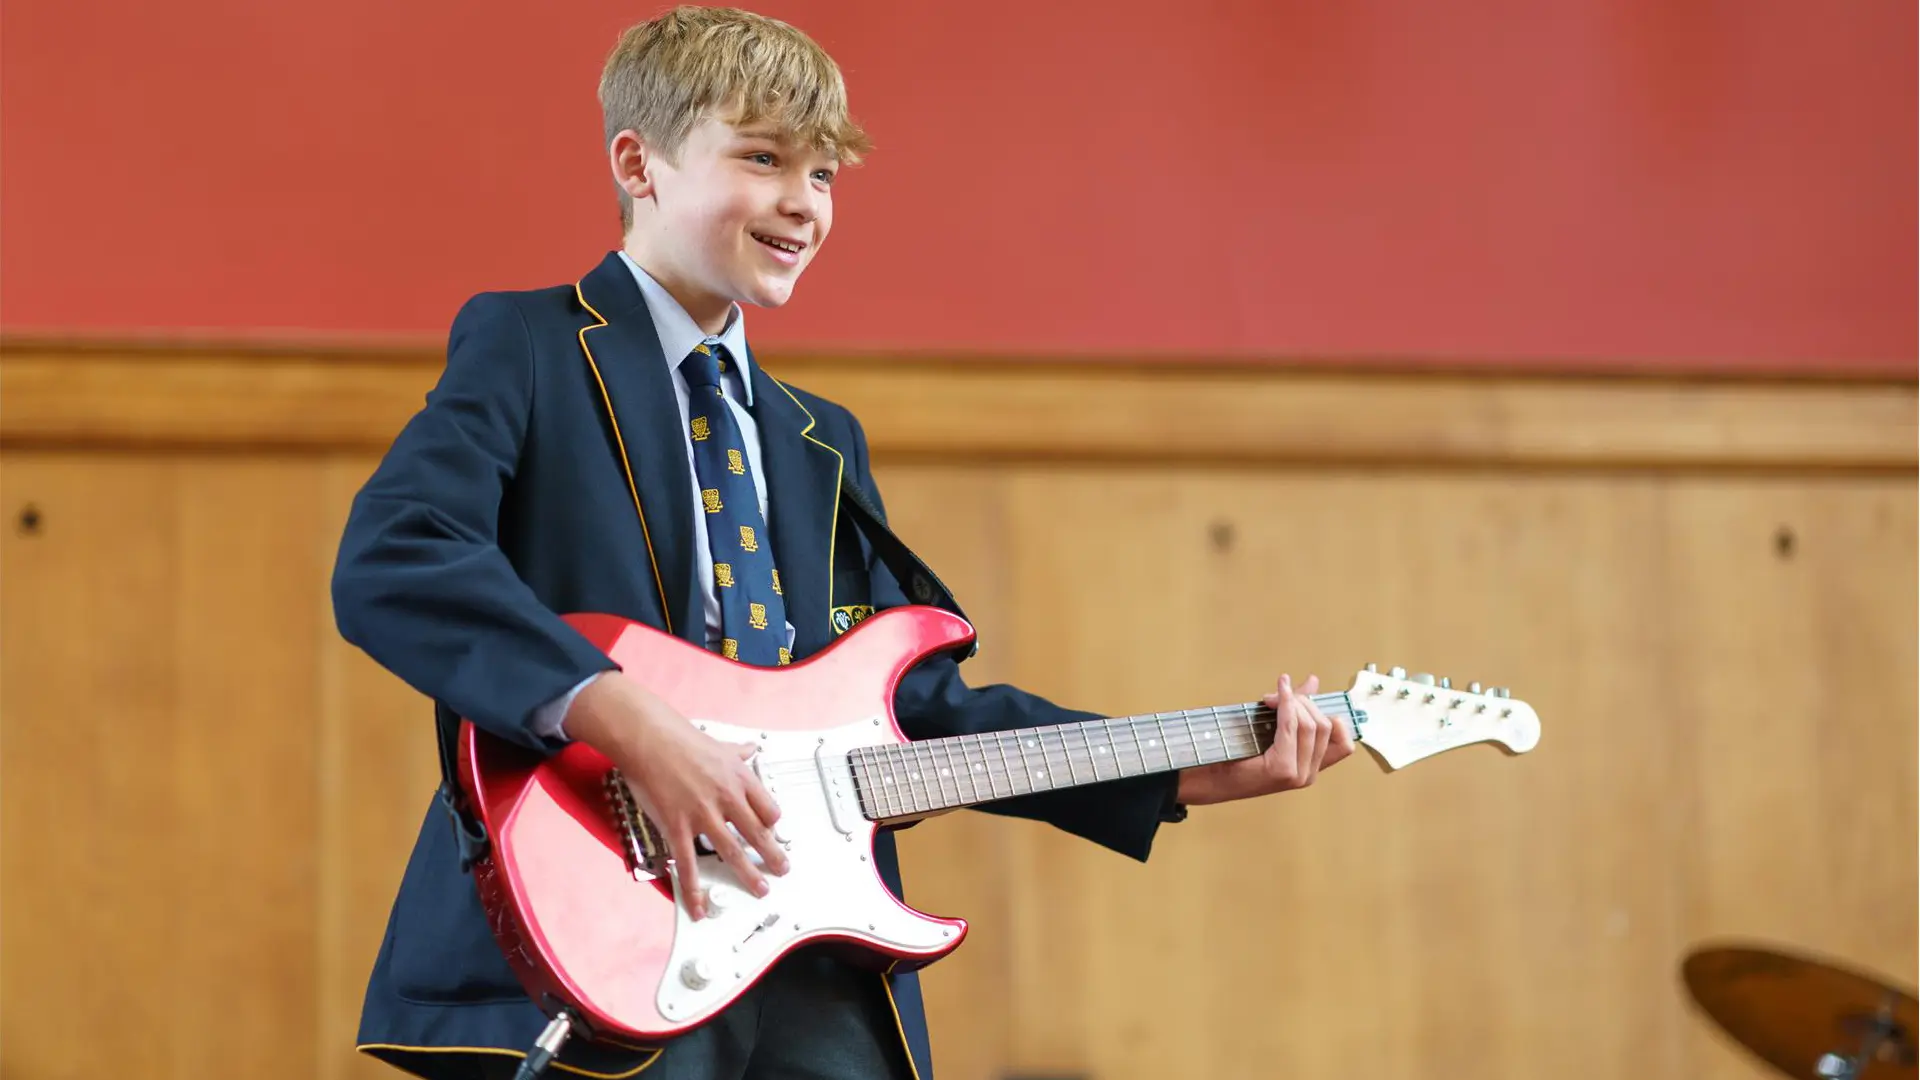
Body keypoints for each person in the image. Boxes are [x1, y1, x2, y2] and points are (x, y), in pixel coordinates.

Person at [330, 7, 1354, 1079]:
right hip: (605, 926)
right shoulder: (529, 345)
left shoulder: (822, 441)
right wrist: (625, 718)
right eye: (763, 158)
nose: (801, 205)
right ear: (639, 162)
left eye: (823, 175)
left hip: (811, 957)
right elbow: (398, 556)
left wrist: (1179, 776)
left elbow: (912, 705)